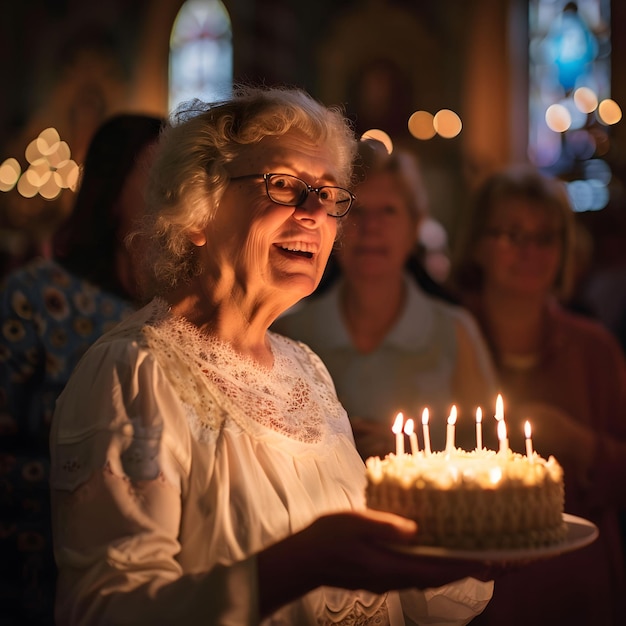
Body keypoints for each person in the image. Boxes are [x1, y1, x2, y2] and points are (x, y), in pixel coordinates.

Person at [49, 86, 495, 625]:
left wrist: (473, 543)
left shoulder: (305, 368)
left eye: (329, 196)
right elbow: (105, 611)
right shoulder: (135, 373)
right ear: (196, 210)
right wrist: (296, 565)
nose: (314, 213)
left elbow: (392, 598)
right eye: (284, 185)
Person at [0, 113, 164, 626]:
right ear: (115, 190)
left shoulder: (183, 309)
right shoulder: (36, 297)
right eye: (160, 176)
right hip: (36, 569)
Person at [449, 163, 626, 626]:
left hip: (573, 590)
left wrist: (580, 443)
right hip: (467, 594)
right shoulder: (444, 339)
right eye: (511, 234)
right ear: (478, 245)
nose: (528, 251)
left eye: (544, 237)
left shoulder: (595, 351)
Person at [272, 139, 497, 459]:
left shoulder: (455, 332)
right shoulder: (291, 334)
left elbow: (490, 448)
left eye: (388, 211)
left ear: (414, 226)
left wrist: (410, 457)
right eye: (357, 211)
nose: (371, 228)